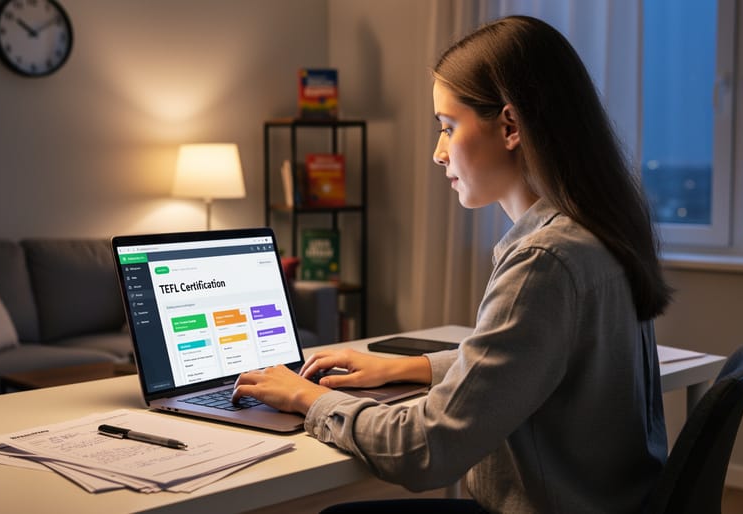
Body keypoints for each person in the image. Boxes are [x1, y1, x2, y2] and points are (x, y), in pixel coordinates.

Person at [233, 15, 672, 514]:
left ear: (510, 126)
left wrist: (306, 399)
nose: (438, 153)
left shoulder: (544, 260)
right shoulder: (599, 229)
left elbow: (426, 450)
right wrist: (409, 367)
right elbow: (534, 361)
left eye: (448, 127)